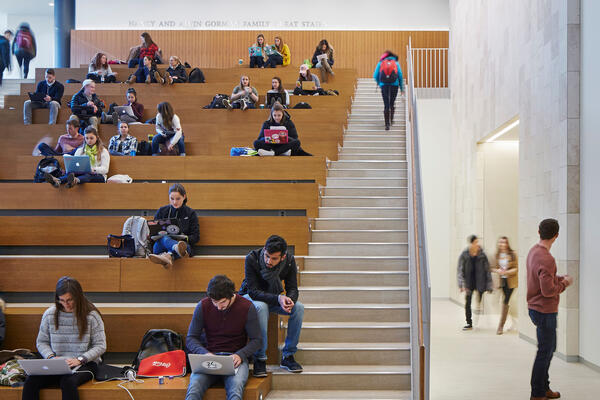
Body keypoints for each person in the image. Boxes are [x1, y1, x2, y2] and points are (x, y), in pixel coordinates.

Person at [21, 276, 106, 400]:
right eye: (62, 300)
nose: (66, 305)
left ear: (78, 297)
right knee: (30, 381)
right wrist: (51, 357)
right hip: (57, 363)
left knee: (68, 382)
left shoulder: (92, 316)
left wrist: (80, 359)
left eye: (70, 300)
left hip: (85, 363)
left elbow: (100, 345)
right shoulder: (50, 314)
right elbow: (42, 342)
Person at [186, 275, 261, 400]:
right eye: (214, 302)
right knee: (194, 388)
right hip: (209, 357)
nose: (218, 307)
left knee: (236, 391)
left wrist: (240, 355)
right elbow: (191, 338)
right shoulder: (203, 305)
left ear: (232, 295)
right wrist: (204, 354)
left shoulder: (247, 307)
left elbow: (257, 340)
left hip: (235, 359)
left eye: (222, 302)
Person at [239, 235, 304, 377]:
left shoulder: (289, 262)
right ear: (264, 250)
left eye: (274, 258)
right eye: (267, 256)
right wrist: (278, 298)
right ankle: (260, 359)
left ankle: (288, 356)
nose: (269, 261)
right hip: (250, 297)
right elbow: (253, 292)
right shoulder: (252, 258)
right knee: (261, 307)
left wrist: (290, 300)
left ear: (282, 257)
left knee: (298, 308)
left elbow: (293, 288)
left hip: (273, 297)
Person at [527, 219, 574, 400]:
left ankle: (544, 387)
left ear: (539, 231)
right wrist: (565, 283)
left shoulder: (533, 252)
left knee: (548, 348)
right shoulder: (547, 258)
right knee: (545, 351)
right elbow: (548, 290)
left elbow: (544, 278)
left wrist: (559, 277)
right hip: (544, 310)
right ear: (556, 236)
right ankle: (537, 393)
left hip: (535, 308)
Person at [148, 183, 199, 267]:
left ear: (184, 197)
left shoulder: (191, 213)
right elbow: (153, 234)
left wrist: (183, 237)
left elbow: (196, 237)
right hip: (160, 247)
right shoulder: (162, 211)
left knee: (182, 249)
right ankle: (175, 248)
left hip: (183, 247)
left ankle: (167, 256)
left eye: (178, 199)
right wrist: (151, 236)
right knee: (165, 238)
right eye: (172, 199)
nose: (174, 202)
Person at [44, 126, 110, 188]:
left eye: (91, 138)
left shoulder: (103, 151)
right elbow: (75, 164)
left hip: (99, 176)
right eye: (87, 138)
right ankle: (58, 181)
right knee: (71, 173)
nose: (89, 140)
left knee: (88, 175)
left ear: (97, 138)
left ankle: (73, 181)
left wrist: (93, 169)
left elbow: (105, 169)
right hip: (82, 173)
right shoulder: (80, 150)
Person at [457, 234, 492, 330]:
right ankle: (469, 322)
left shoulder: (482, 255)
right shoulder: (465, 254)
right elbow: (460, 269)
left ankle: (478, 314)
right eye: (476, 242)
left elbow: (487, 270)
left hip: (480, 282)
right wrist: (461, 284)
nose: (477, 244)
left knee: (478, 301)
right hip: (469, 283)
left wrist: (489, 285)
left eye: (477, 242)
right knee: (468, 302)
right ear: (471, 243)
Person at [491, 236, 518, 335]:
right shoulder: (496, 255)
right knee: (503, 302)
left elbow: (516, 268)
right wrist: (497, 271)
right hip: (500, 281)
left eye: (504, 242)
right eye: (500, 242)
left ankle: (500, 326)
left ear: (507, 244)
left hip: (510, 282)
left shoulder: (513, 254)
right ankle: (512, 320)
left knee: (505, 301)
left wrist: (507, 272)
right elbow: (492, 268)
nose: (502, 244)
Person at [373, 50, 405, 130]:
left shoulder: (381, 63)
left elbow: (375, 75)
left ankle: (387, 124)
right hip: (394, 85)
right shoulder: (396, 63)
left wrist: (380, 83)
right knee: (392, 102)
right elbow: (400, 76)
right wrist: (402, 88)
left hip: (384, 85)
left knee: (386, 104)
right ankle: (391, 119)